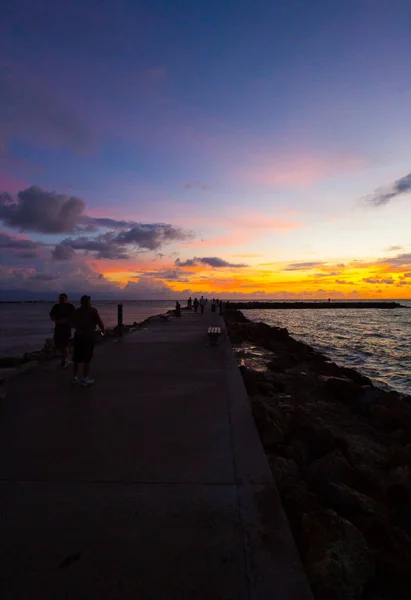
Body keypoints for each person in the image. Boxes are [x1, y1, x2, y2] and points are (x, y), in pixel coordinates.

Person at [71, 295, 105, 387]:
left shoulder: (77, 311)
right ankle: (84, 378)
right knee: (87, 357)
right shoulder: (93, 310)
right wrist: (102, 331)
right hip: (88, 336)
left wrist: (79, 327)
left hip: (78, 335)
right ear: (88, 302)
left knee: (77, 358)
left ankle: (75, 378)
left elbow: (72, 323)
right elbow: (99, 322)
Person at [50, 293, 75, 368]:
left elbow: (73, 316)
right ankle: (65, 356)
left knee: (64, 344)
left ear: (66, 299)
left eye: (63, 298)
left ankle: (65, 359)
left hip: (66, 327)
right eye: (60, 298)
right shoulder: (56, 306)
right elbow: (52, 315)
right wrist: (55, 320)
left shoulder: (70, 307)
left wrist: (65, 321)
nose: (61, 300)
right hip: (58, 327)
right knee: (58, 343)